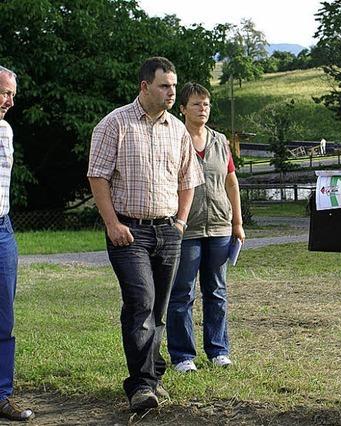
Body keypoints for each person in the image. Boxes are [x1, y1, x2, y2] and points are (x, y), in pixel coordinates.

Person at [87, 57, 203, 411]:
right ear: (144, 87)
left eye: (173, 85)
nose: (172, 92)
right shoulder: (114, 124)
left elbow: (188, 180)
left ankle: (152, 377)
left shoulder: (177, 130)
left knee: (160, 309)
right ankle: (141, 386)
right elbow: (97, 176)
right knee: (141, 304)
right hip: (129, 232)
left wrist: (181, 223)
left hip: (168, 230)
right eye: (164, 86)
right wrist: (112, 223)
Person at [166, 83, 245, 373]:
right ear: (183, 108)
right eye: (197, 104)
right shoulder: (173, 138)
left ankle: (218, 350)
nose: (203, 109)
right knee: (182, 294)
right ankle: (182, 356)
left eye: (207, 104)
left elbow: (231, 182)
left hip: (220, 228)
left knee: (217, 291)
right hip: (186, 229)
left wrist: (237, 222)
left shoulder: (220, 141)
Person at [0, 66, 34, 422]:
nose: (10, 101)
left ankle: (2, 395)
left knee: (3, 317)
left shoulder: (6, 131)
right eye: (4, 92)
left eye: (12, 94)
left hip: (2, 229)